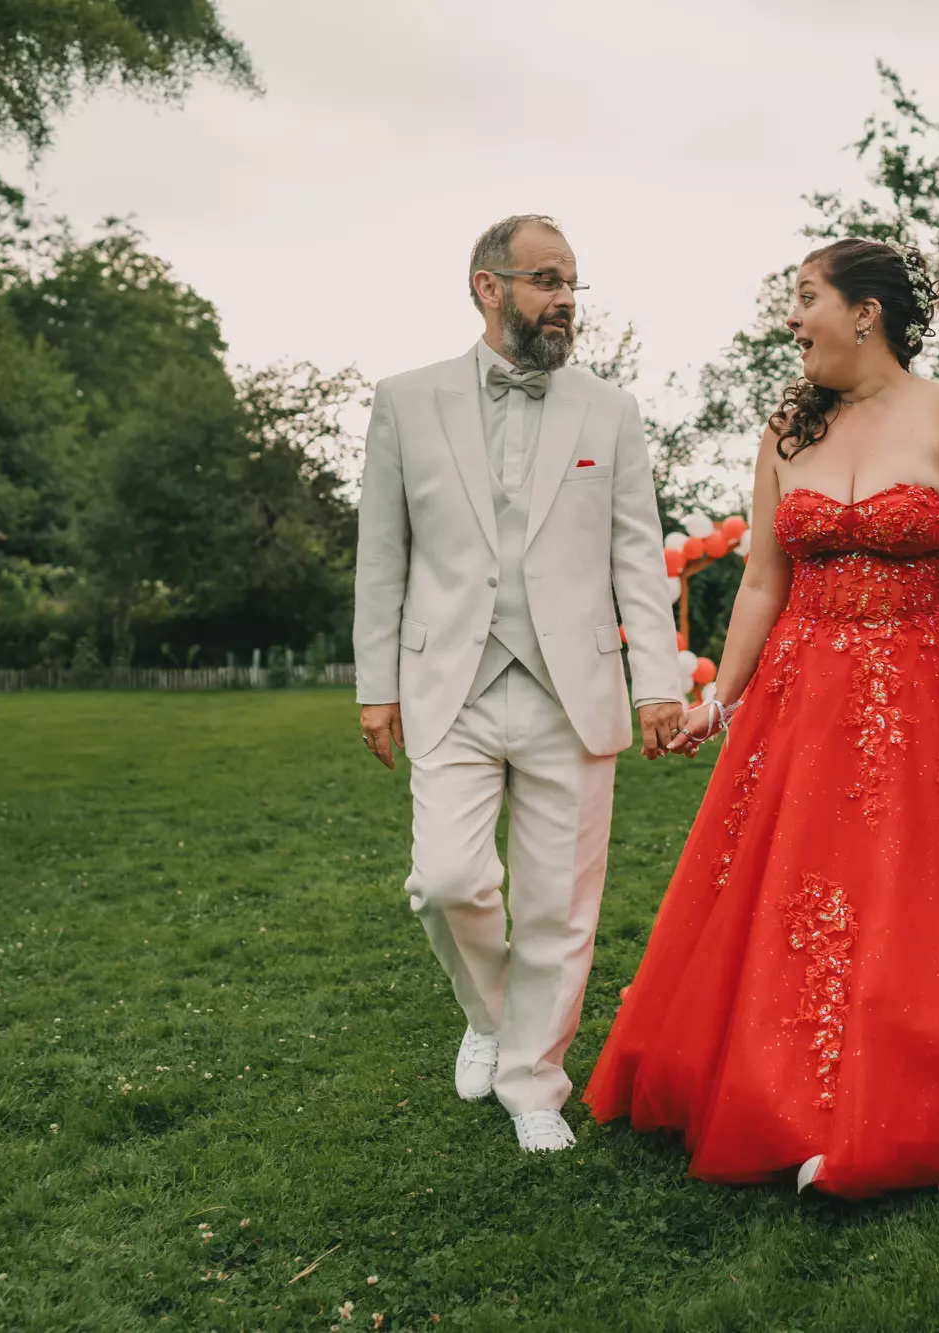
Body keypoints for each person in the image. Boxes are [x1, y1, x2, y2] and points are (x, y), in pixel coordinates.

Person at [583, 238, 939, 1197]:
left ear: (867, 313)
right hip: (802, 698)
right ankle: (790, 1097)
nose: (791, 319)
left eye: (806, 298)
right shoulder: (786, 430)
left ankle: (925, 1087)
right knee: (794, 897)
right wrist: (719, 700)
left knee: (934, 893)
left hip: (930, 691)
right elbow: (765, 581)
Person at [354, 214, 689, 1153]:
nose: (566, 299)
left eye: (573, 282)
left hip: (570, 686)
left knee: (557, 903)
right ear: (487, 287)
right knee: (449, 882)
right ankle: (494, 1014)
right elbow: (383, 555)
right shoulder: (405, 401)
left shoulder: (609, 410)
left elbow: (636, 556)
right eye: (546, 280)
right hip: (446, 684)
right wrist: (374, 684)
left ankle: (535, 1082)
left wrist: (656, 683)